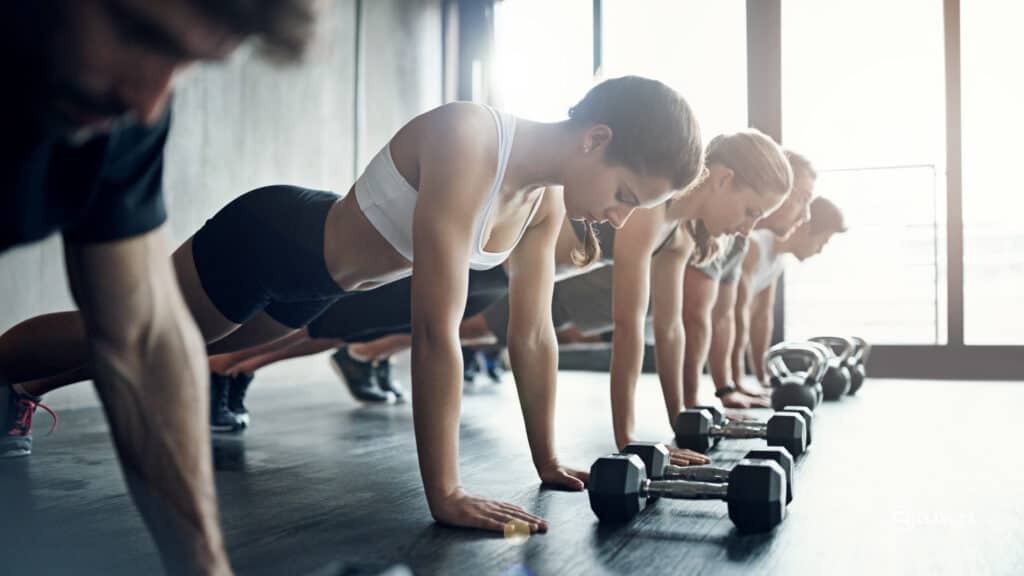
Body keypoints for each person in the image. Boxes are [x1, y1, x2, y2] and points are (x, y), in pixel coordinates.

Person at [0, 76, 705, 534]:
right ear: (597, 140)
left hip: (322, 292)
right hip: (271, 244)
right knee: (124, 336)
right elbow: (435, 332)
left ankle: (26, 387)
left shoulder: (545, 205)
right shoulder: (471, 140)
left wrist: (548, 460)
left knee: (170, 353)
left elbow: (534, 338)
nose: (619, 218)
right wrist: (446, 494)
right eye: (624, 196)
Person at [0, 1, 317, 574]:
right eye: (138, 33)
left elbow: (143, 338)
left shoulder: (121, 115)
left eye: (189, 62)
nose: (148, 101)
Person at [681, 150, 814, 409]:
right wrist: (691, 408)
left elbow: (724, 315)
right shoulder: (711, 229)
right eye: (803, 199)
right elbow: (695, 318)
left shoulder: (737, 240)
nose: (807, 215)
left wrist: (729, 387)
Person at [734, 195, 847, 388]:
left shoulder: (777, 261)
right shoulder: (755, 246)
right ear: (806, 227)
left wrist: (765, 378)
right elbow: (735, 316)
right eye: (823, 241)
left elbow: (762, 317)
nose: (819, 250)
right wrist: (736, 384)